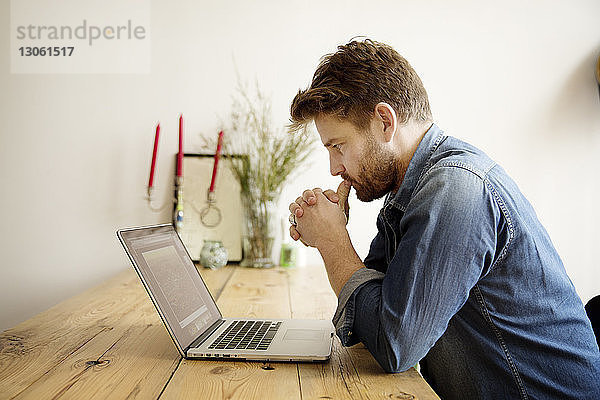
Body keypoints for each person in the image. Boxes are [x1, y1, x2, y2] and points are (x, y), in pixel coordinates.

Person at [286, 39, 600, 399]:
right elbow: (369, 318)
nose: (334, 168)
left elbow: (393, 345)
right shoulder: (409, 191)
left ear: (385, 122)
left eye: (338, 146)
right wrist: (334, 232)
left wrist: (331, 242)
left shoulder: (454, 190)